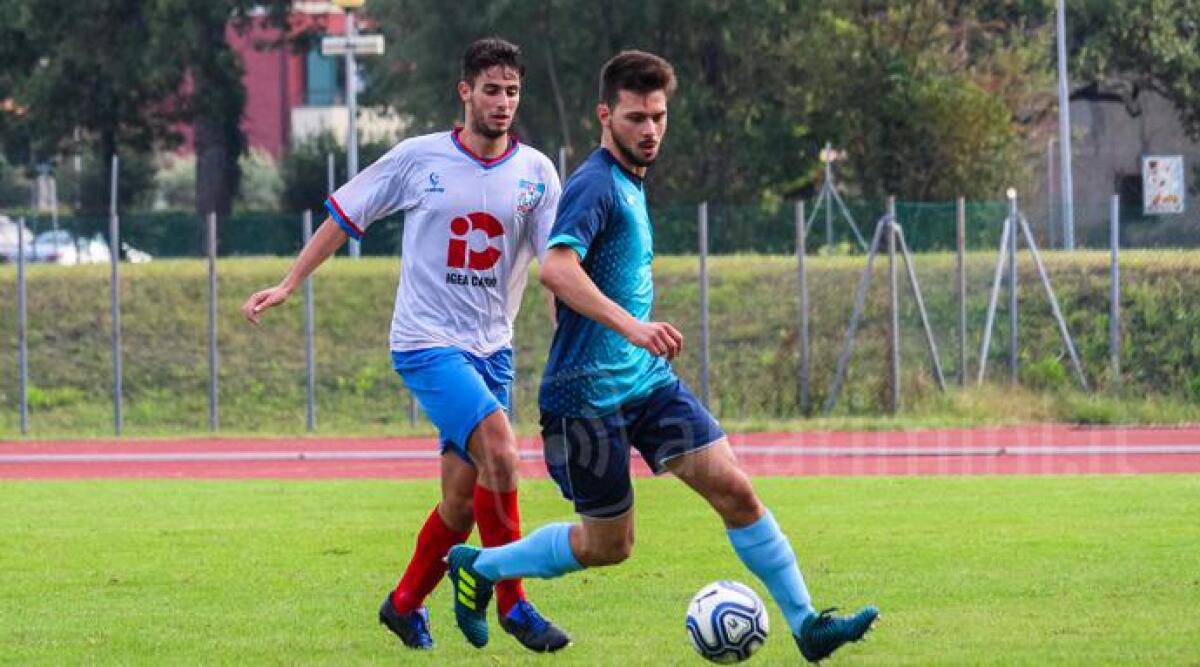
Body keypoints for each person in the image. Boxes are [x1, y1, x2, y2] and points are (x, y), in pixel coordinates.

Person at [444, 50, 878, 663]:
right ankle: (482, 566)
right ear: (605, 116)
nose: (649, 130)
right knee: (609, 544)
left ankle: (807, 625)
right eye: (635, 118)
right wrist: (635, 327)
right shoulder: (596, 184)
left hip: (646, 386)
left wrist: (637, 340)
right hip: (584, 400)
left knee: (737, 493)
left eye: (658, 117)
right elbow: (556, 269)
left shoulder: (631, 182)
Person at [240, 37, 570, 654]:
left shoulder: (537, 174)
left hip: (492, 351)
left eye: (512, 92)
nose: (503, 103)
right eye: (491, 90)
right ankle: (514, 604)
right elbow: (344, 216)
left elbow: (554, 267)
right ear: (465, 91)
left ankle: (402, 604)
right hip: (426, 343)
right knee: (501, 448)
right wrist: (289, 282)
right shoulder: (419, 159)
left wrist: (568, 334)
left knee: (461, 503)